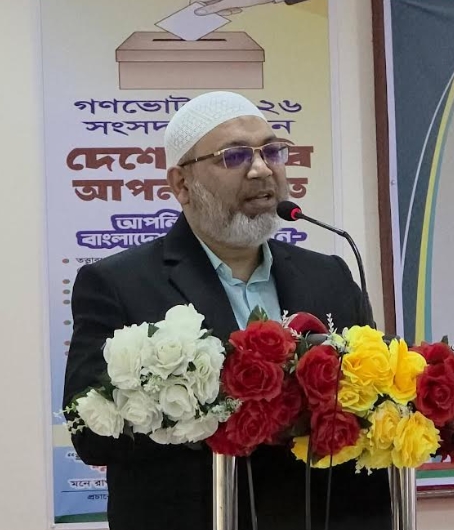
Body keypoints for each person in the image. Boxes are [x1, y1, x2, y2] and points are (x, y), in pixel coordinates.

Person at [63, 91, 391, 530]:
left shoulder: (329, 276)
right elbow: (90, 435)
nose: (261, 169)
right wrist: (204, 412)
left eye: (272, 151)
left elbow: (373, 404)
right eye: (234, 156)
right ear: (181, 184)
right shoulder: (119, 284)